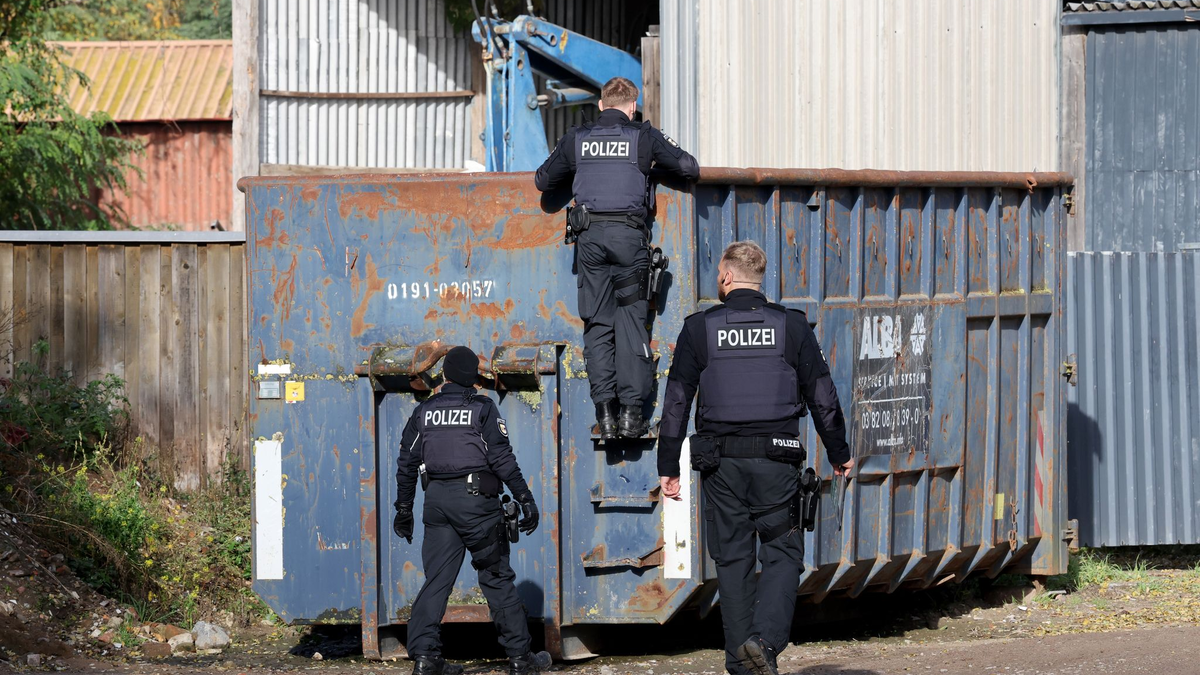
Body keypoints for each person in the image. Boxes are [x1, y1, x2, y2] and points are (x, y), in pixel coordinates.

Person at [655, 242, 854, 675]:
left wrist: (668, 466)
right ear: (758, 277)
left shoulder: (699, 330)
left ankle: (742, 665)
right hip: (776, 466)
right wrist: (839, 453)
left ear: (725, 277)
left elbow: (675, 403)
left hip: (721, 468)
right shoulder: (791, 327)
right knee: (783, 556)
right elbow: (822, 395)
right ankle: (763, 643)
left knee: (732, 562)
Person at [534, 76, 700, 440]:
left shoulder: (578, 139)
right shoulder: (642, 137)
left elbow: (543, 181)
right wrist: (649, 169)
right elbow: (689, 168)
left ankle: (605, 416)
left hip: (589, 241)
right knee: (631, 324)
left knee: (597, 324)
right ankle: (631, 416)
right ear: (633, 107)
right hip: (629, 240)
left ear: (601, 106)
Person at [393, 346, 553, 675]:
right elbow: (502, 459)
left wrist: (404, 509)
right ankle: (521, 659)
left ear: (445, 375)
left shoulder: (425, 411)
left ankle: (425, 659)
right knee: (496, 578)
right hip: (477, 504)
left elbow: (407, 463)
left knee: (436, 580)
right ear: (473, 377)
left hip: (436, 504)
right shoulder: (482, 408)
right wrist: (525, 498)